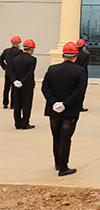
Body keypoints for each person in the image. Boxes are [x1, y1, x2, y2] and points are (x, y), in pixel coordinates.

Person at [41, 42, 86, 176]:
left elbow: (45, 88)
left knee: (56, 137)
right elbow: (79, 91)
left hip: (53, 110)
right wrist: (65, 104)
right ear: (76, 56)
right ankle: (63, 167)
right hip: (70, 111)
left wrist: (54, 103)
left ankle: (57, 163)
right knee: (65, 139)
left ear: (63, 55)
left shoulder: (52, 69)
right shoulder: (80, 71)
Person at [8, 39, 37, 130]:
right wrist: (23, 82)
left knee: (17, 104)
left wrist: (15, 81)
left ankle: (17, 123)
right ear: (31, 49)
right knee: (26, 104)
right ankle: (25, 123)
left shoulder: (15, 58)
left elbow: (11, 71)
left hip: (16, 85)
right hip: (27, 85)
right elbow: (30, 73)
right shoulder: (32, 59)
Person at [1, 36, 22, 109]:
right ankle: (13, 105)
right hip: (15, 72)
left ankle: (5, 103)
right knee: (14, 89)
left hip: (7, 72)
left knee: (6, 88)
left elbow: (0, 59)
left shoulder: (6, 51)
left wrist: (5, 67)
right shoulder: (19, 52)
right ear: (17, 43)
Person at [75, 39, 90, 112]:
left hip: (74, 74)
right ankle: (80, 106)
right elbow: (84, 65)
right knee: (82, 90)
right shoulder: (86, 55)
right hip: (83, 75)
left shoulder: (74, 54)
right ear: (83, 47)